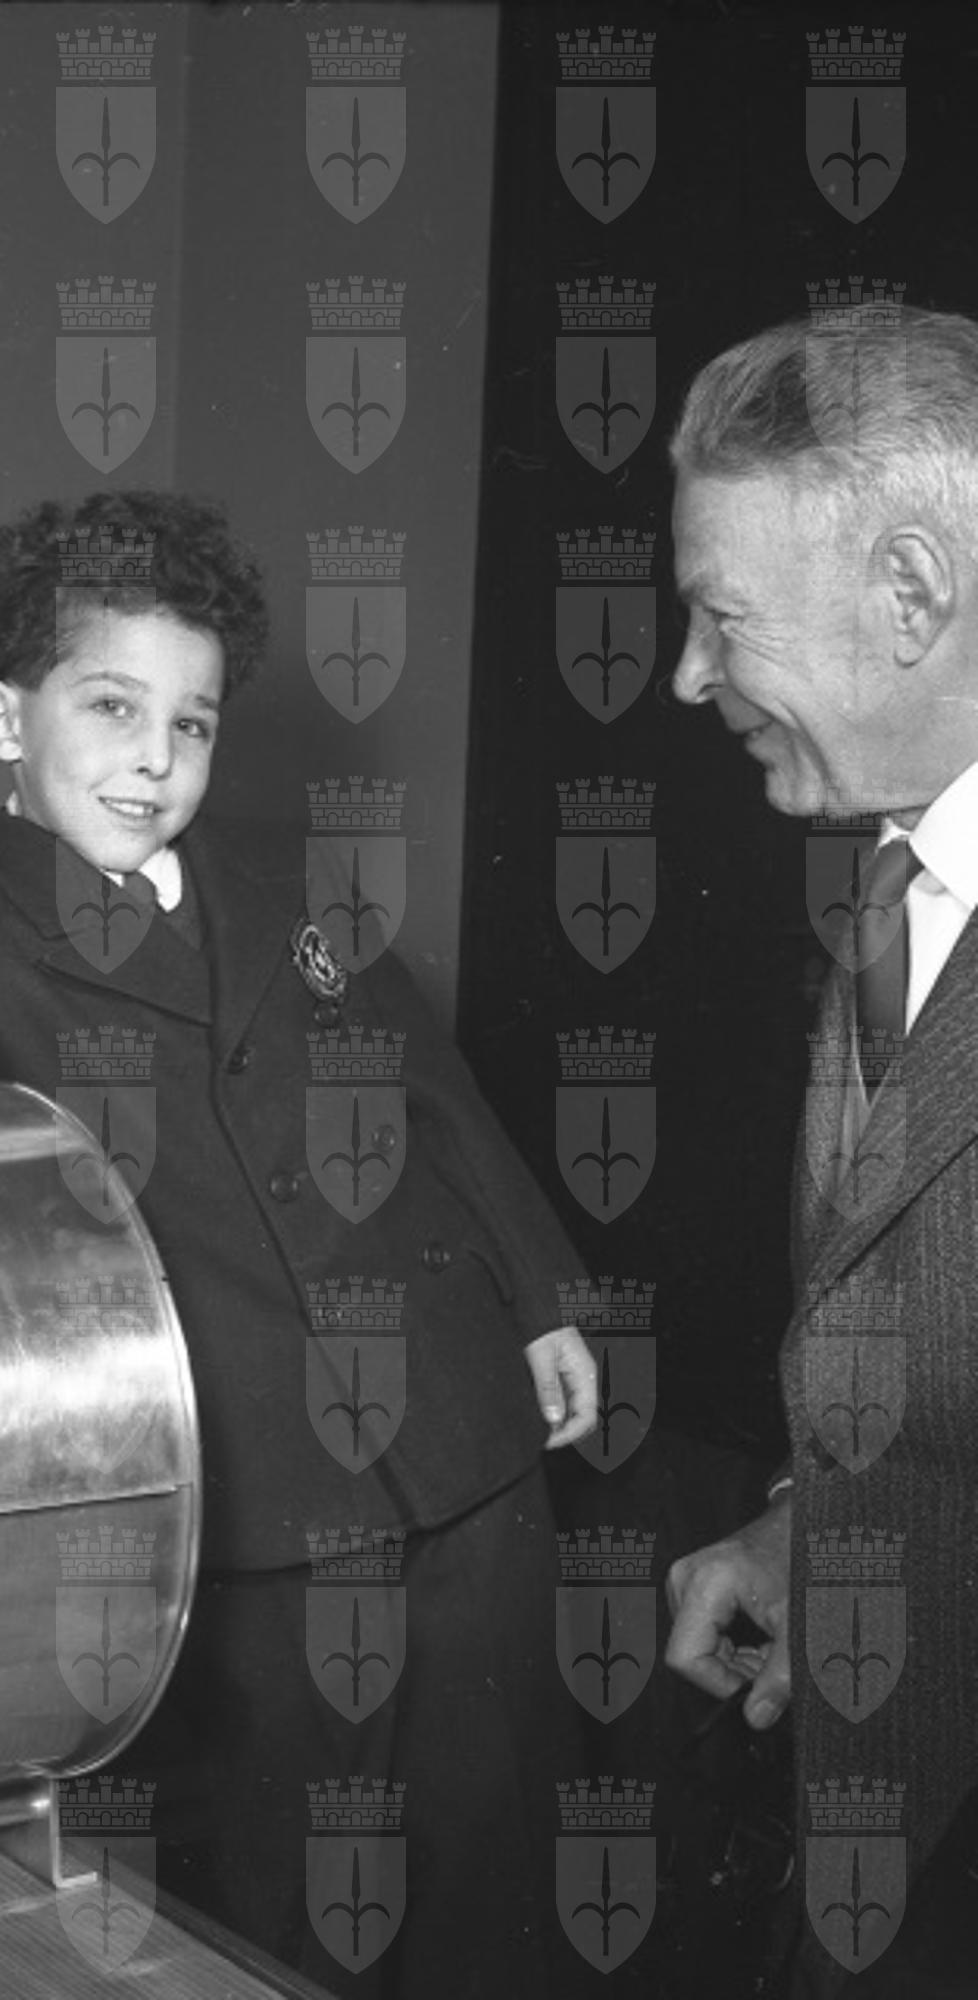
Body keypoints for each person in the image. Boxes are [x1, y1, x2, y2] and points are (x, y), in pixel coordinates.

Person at [0, 491, 596, 1997]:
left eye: (190, 725)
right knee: (282, 1916)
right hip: (247, 1519)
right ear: (3, 719)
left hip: (462, 1453)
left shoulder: (287, 895)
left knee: (493, 1875)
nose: (155, 758)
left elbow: (435, 1097)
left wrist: (542, 1296)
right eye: (111, 707)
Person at [664, 309, 978, 1996]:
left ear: (910, 595)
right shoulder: (887, 890)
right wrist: (812, 1526)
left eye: (721, 618)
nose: (685, 675)